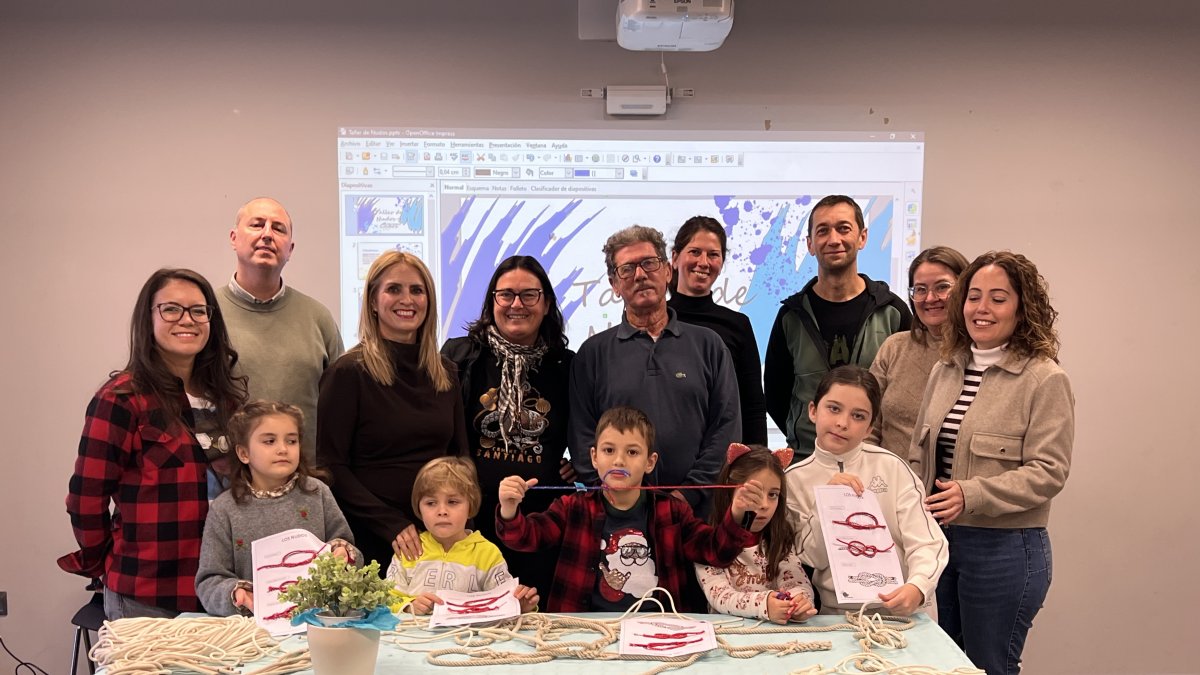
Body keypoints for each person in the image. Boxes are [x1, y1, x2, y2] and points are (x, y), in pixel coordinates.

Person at [910, 251, 1073, 675]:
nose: (981, 309)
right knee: (939, 666)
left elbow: (1049, 471)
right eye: (973, 296)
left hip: (1004, 551)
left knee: (988, 666)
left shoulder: (1045, 379)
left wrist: (972, 494)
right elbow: (919, 454)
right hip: (940, 545)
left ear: (1022, 309)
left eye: (998, 299)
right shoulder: (945, 369)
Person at [60, 268, 247, 619]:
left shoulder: (227, 400)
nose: (187, 320)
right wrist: (107, 562)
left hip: (224, 590)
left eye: (199, 310)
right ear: (148, 318)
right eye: (171, 309)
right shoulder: (121, 399)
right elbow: (85, 499)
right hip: (147, 595)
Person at [496, 406, 759, 613]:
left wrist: (737, 515)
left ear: (650, 462)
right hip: (583, 630)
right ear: (594, 457)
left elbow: (715, 552)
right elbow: (526, 538)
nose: (619, 460)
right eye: (609, 450)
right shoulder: (572, 507)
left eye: (632, 452)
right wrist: (509, 509)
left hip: (659, 629)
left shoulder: (673, 511)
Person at [569, 225, 741, 517]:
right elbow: (582, 438)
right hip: (618, 517)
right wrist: (620, 499)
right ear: (614, 284)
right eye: (627, 269)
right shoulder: (592, 354)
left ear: (667, 271)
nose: (640, 275)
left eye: (649, 263)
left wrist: (687, 496)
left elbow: (726, 428)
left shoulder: (709, 345)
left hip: (697, 517)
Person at [318, 251, 468, 574]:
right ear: (373, 301)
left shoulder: (446, 372)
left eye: (417, 290)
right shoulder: (347, 373)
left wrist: (457, 521)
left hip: (440, 534)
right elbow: (331, 467)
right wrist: (390, 524)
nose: (407, 299)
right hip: (374, 537)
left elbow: (460, 456)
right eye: (394, 289)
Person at [440, 255, 574, 599]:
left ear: (546, 304)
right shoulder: (459, 355)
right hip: (471, 520)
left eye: (529, 295)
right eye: (506, 295)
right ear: (492, 301)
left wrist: (581, 464)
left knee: (535, 615)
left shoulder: (566, 365)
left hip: (540, 524)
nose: (517, 304)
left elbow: (587, 426)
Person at [786, 366, 947, 617]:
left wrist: (918, 586)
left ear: (870, 428)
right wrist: (825, 504)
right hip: (837, 614)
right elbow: (810, 557)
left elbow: (928, 540)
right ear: (813, 411)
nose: (842, 423)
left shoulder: (892, 467)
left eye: (858, 416)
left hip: (905, 609)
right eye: (834, 409)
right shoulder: (793, 480)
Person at [764, 195, 911, 457]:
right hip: (806, 458)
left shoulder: (892, 312)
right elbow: (776, 395)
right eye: (823, 231)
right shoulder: (791, 317)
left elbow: (905, 394)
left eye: (844, 228)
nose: (834, 239)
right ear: (810, 244)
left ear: (862, 237)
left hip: (872, 460)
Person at [195, 400, 359, 617]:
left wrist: (343, 555)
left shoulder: (317, 493)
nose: (283, 449)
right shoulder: (224, 509)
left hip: (320, 619)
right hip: (254, 626)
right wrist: (236, 595)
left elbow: (348, 547)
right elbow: (210, 581)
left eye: (291, 441)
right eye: (269, 441)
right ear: (244, 453)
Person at [217, 197, 344, 470]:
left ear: (290, 249)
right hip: (227, 482)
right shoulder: (207, 314)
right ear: (234, 238)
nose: (267, 235)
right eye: (257, 224)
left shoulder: (318, 318)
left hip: (306, 481)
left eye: (278, 228)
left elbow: (341, 410)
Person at [386, 457, 538, 615]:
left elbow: (504, 602)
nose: (442, 511)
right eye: (431, 503)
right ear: (419, 508)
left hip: (468, 631)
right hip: (413, 631)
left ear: (470, 506)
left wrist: (520, 604)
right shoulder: (409, 550)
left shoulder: (487, 554)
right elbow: (386, 599)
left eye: (452, 502)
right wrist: (409, 605)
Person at [668, 216, 768, 445]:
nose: (703, 262)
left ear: (721, 263)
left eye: (713, 254)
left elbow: (752, 405)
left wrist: (757, 459)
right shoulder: (655, 320)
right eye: (695, 252)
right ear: (674, 258)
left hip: (723, 455)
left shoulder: (738, 325)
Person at [694, 444, 816, 624]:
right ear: (729, 492)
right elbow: (720, 596)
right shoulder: (707, 542)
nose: (764, 505)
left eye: (772, 494)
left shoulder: (779, 538)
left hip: (776, 633)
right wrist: (764, 605)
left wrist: (799, 602)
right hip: (728, 632)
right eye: (752, 495)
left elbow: (795, 580)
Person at [870, 246, 970, 455]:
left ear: (965, 289)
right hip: (887, 474)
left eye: (942, 287)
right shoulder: (894, 348)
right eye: (921, 289)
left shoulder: (980, 353)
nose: (930, 298)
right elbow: (867, 424)